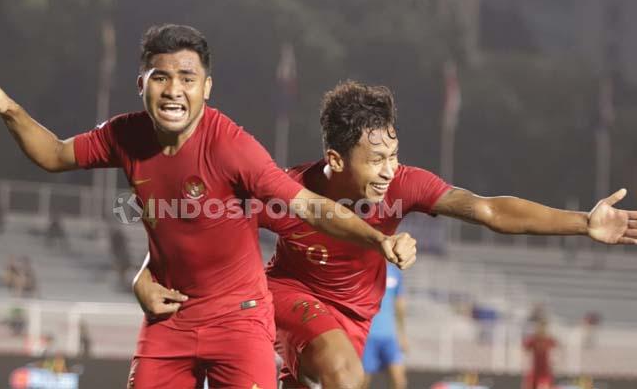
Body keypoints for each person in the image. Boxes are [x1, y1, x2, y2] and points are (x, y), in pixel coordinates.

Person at [0, 24, 416, 388]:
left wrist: (379, 239)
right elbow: (54, 154)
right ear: (141, 84)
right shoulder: (124, 135)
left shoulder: (232, 147)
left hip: (240, 320)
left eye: (187, 78)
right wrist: (8, 108)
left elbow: (312, 207)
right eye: (160, 77)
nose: (173, 90)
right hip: (171, 318)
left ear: (206, 87)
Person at [137, 79, 637, 389]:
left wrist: (582, 224)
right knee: (346, 376)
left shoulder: (406, 185)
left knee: (323, 376)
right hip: (288, 294)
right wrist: (147, 274)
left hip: (357, 314)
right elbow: (199, 225)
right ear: (335, 160)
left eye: (393, 155)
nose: (388, 170)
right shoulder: (285, 190)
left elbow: (487, 210)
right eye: (375, 159)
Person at [362, 263, 408, 389]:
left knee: (399, 380)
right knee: (362, 382)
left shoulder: (394, 272)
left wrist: (402, 335)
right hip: (367, 336)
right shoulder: (365, 267)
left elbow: (400, 304)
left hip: (389, 336)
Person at [523, 319, 558, 389]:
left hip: (545, 368)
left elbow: (556, 347)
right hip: (535, 367)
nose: (541, 330)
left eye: (543, 328)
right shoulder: (533, 339)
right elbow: (525, 347)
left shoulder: (548, 339)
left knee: (549, 384)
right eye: (540, 328)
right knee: (531, 385)